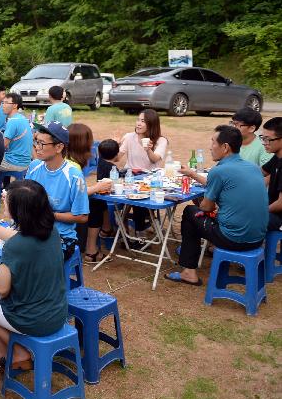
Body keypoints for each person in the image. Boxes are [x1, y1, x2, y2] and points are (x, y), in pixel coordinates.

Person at [0, 180, 68, 371]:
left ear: (19, 210)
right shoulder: (51, 231)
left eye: (7, 199)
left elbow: (3, 290)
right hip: (57, 312)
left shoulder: (14, 247)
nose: (3, 199)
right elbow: (16, 237)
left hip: (32, 320)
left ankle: (19, 350)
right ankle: (4, 352)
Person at [168, 125, 268, 286]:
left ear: (225, 147)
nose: (210, 147)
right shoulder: (253, 168)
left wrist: (207, 208)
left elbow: (207, 207)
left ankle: (188, 272)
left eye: (213, 142)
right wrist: (193, 174)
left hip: (233, 238)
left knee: (189, 212)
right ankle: (192, 261)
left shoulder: (219, 171)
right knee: (199, 214)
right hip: (257, 238)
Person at [25, 122, 89, 259]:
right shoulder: (34, 166)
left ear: (59, 147)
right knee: (3, 249)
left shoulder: (74, 176)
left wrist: (49, 215)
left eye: (42, 143)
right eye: (36, 142)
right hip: (32, 229)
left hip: (61, 237)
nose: (37, 148)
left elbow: (82, 216)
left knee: (28, 258)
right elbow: (26, 198)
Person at [115, 109, 168, 234]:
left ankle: (138, 227)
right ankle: (133, 225)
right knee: (131, 192)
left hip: (150, 179)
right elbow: (117, 158)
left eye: (143, 121)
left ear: (152, 124)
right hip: (130, 176)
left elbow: (154, 159)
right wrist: (116, 144)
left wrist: (148, 149)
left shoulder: (161, 140)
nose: (138, 123)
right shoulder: (129, 137)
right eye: (138, 120)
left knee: (141, 197)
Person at [65, 123, 113, 262]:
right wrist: (98, 187)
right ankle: (92, 250)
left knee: (95, 200)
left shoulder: (66, 158)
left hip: (61, 204)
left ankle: (106, 230)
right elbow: (76, 193)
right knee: (95, 202)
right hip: (67, 209)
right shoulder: (73, 165)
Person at [83, 139, 120, 262]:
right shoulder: (113, 168)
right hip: (97, 199)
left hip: (95, 196)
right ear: (117, 154)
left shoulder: (99, 163)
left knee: (100, 203)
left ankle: (106, 229)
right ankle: (91, 251)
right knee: (99, 207)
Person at [1, 93, 33, 173]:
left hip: (14, 162)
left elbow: (2, 145)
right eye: (3, 102)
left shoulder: (13, 121)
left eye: (6, 103)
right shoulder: (21, 117)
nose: (3, 105)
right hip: (25, 161)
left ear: (15, 105)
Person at [261, 117, 282, 231]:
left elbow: (280, 204)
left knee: (244, 217)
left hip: (279, 217)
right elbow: (260, 172)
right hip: (273, 211)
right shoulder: (277, 157)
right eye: (263, 138)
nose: (264, 143)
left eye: (268, 139)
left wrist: (261, 210)